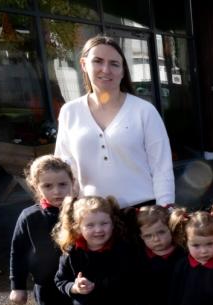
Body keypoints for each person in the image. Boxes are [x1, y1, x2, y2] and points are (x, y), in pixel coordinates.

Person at [8, 155, 96, 305]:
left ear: (73, 183)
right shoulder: (29, 217)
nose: (56, 191)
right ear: (36, 187)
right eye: (48, 186)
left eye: (62, 184)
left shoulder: (84, 213)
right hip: (46, 287)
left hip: (80, 286)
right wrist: (17, 286)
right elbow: (18, 252)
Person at [54, 35, 175, 210]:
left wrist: (165, 210)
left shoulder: (144, 111)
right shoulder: (69, 112)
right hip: (91, 215)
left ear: (123, 71)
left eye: (114, 64)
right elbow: (63, 168)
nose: (106, 69)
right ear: (83, 64)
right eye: (98, 61)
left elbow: (162, 168)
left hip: (143, 214)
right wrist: (66, 210)